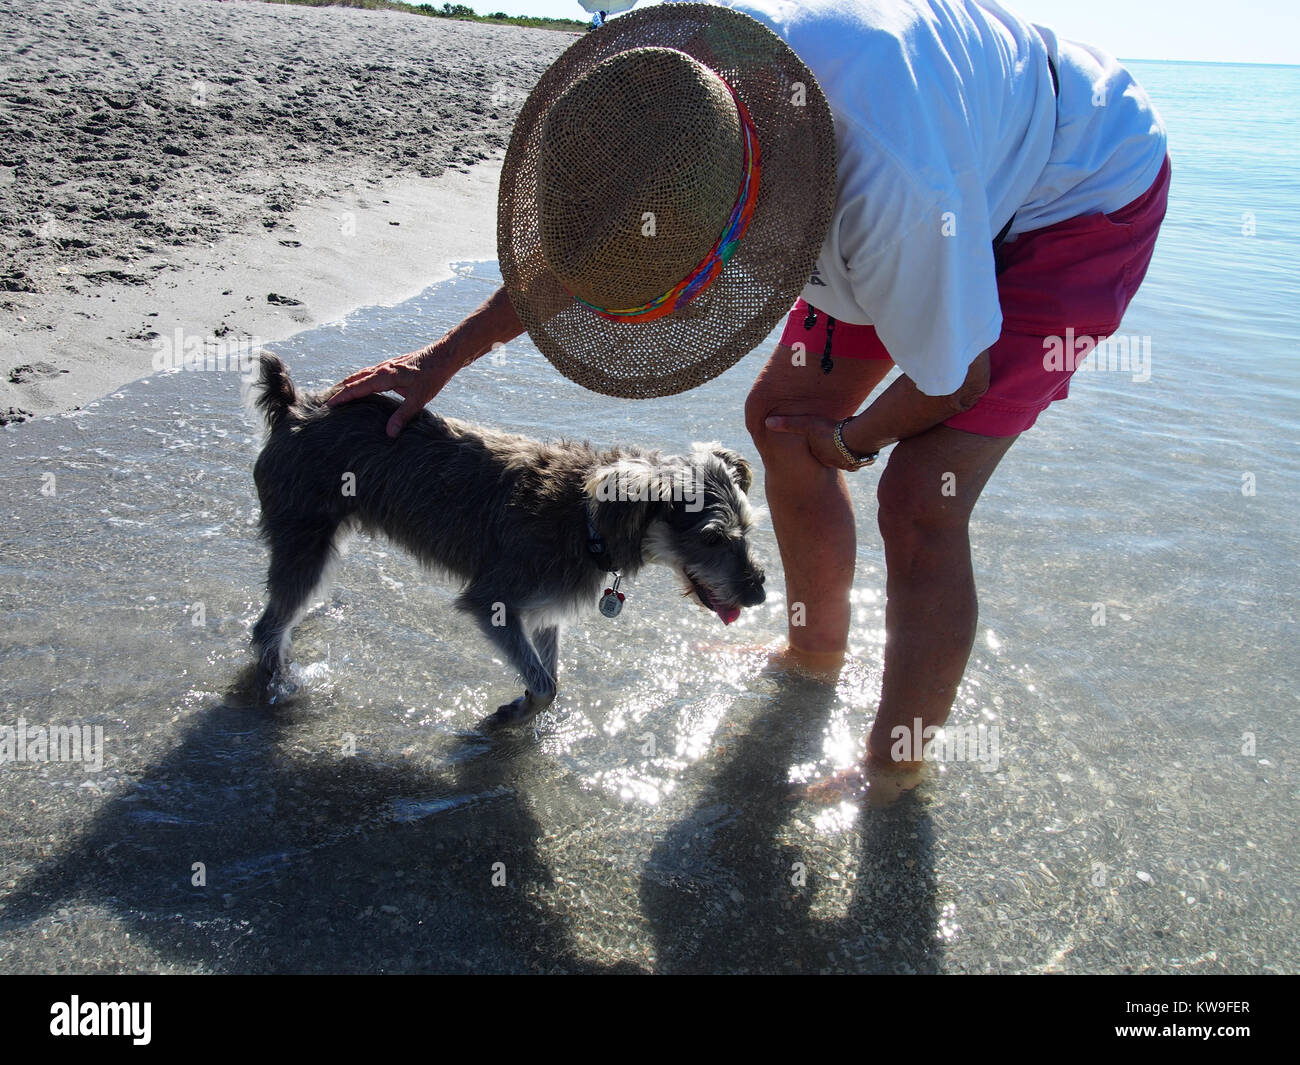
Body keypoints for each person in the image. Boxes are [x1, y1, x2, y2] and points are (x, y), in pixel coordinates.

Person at [326, 1, 1168, 788]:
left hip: (1074, 189)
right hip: (922, 154)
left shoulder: (891, 198)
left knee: (919, 499)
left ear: (745, 213)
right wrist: (438, 360)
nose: (667, 300)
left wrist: (849, 443)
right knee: (774, 422)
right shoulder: (666, 91)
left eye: (676, 284)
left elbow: (958, 381)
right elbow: (596, 248)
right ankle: (812, 654)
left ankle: (893, 772)